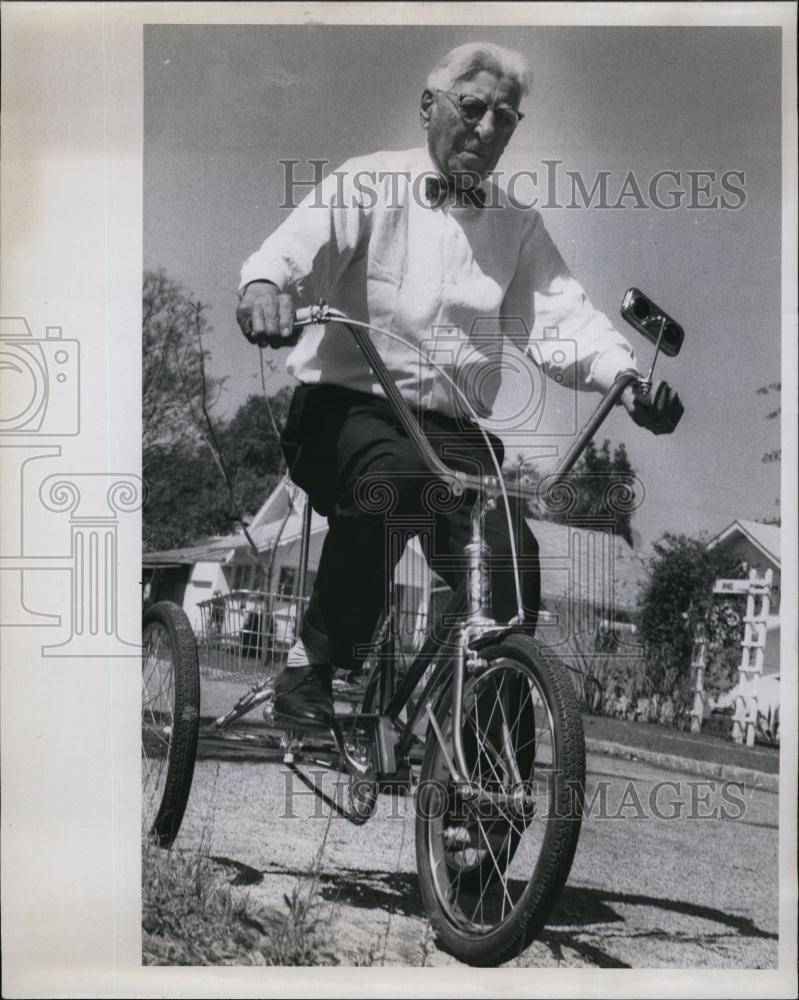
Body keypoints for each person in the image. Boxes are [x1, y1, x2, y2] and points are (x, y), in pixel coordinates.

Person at [236, 42, 683, 726]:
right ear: (428, 107)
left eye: (504, 118)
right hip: (346, 411)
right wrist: (267, 286)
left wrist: (625, 382)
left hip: (453, 433)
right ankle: (314, 665)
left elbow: (562, 318)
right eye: (471, 108)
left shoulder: (516, 225)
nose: (485, 128)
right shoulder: (369, 184)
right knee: (393, 484)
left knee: (509, 563)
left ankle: (483, 774)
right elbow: (299, 246)